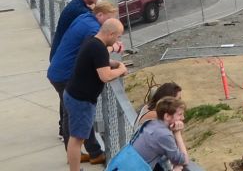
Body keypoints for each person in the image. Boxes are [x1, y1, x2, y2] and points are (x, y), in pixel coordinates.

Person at [64, 16, 127, 171]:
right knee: (77, 139)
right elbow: (105, 76)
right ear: (111, 34)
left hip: (74, 94)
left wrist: (114, 64)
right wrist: (121, 69)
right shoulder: (98, 48)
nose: (117, 40)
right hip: (81, 100)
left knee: (77, 136)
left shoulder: (93, 41)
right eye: (118, 36)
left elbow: (100, 62)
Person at [124, 94, 192, 171]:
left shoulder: (150, 124)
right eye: (180, 114)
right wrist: (177, 133)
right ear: (167, 116)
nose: (183, 118)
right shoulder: (163, 135)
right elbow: (184, 161)